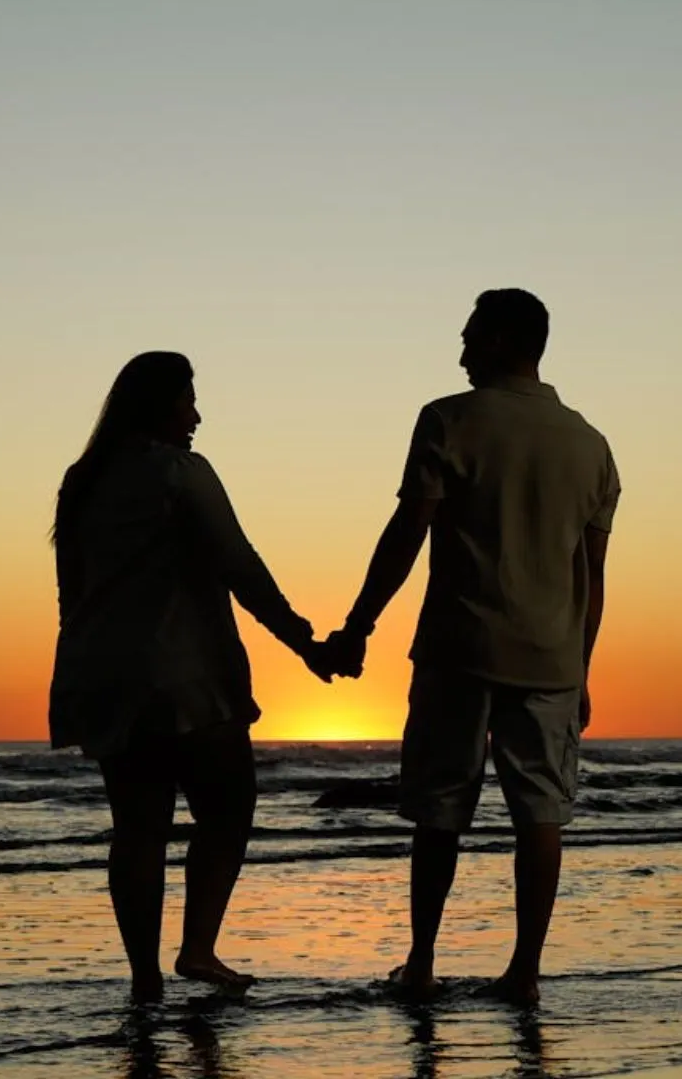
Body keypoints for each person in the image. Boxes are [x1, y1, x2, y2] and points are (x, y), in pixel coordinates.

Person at [321, 289, 619, 1006]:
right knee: (541, 813)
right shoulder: (590, 445)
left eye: (469, 337)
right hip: (550, 656)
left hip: (460, 645)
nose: (459, 351)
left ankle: (421, 962)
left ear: (502, 341)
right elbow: (593, 577)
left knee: (439, 808)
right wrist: (582, 668)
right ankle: (524, 971)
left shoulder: (449, 419)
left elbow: (407, 532)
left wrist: (358, 625)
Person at [49, 351, 335, 1003]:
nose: (197, 415)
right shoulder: (181, 473)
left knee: (138, 826)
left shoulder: (82, 479)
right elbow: (240, 565)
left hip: (106, 677)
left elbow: (71, 591)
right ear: (160, 406)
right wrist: (304, 643)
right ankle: (198, 948)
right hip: (185, 673)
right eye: (188, 401)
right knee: (229, 808)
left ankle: (143, 976)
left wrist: (83, 665)